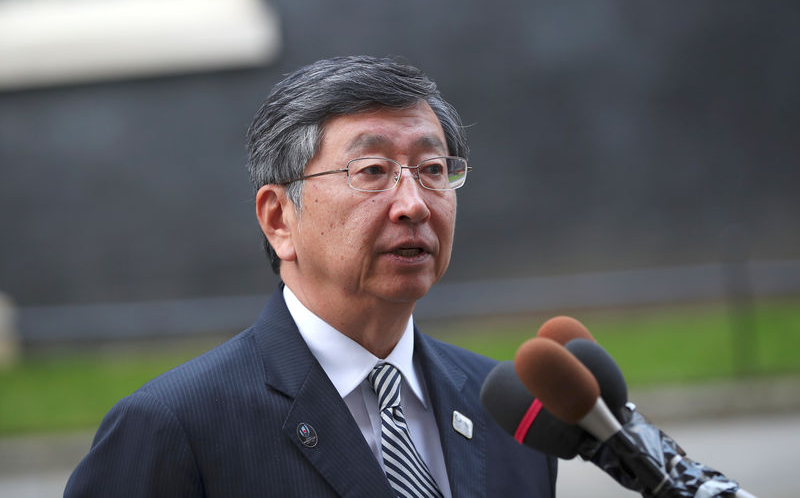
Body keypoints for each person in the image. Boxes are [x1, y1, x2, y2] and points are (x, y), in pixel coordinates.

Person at [64, 56, 556, 497]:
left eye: (431, 169)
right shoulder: (175, 428)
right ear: (279, 218)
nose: (413, 205)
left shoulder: (510, 409)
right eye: (371, 170)